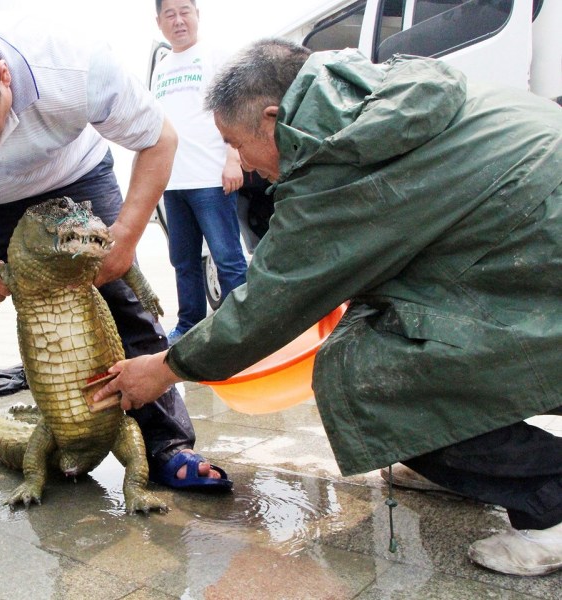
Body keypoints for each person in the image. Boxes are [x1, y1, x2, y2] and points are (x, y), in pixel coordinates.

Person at [93, 39, 562, 576]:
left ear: (272, 119)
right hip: (526, 261)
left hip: (541, 276)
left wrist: (166, 368)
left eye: (235, 144)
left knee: (363, 377)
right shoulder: (388, 95)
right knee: (390, 330)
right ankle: (447, 449)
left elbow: (269, 302)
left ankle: (550, 501)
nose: (241, 165)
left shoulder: (335, 157)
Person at [0, 16, 233, 539]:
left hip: (72, 179)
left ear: (3, 77)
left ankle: (167, 448)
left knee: (126, 304)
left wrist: (124, 237)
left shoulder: (75, 66)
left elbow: (159, 139)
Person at [152, 0, 247, 344]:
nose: (178, 20)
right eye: (170, 14)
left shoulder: (215, 54)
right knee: (183, 260)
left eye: (184, 11)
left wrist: (233, 156)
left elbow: (234, 108)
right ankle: (189, 325)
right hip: (174, 181)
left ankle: (245, 327)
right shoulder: (161, 67)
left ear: (196, 15)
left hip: (211, 177)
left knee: (227, 257)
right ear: (159, 21)